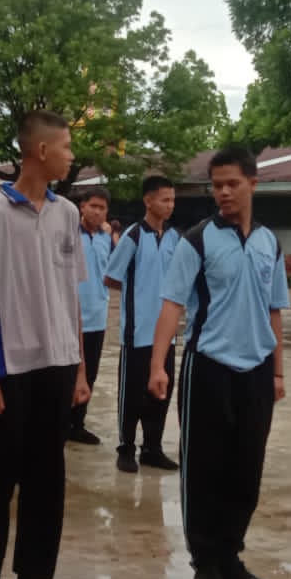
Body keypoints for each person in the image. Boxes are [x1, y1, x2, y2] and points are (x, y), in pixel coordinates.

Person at [0, 111, 91, 579]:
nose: (69, 155)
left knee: (47, 481)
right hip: (10, 367)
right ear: (39, 151)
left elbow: (73, 298)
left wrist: (80, 367)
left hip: (58, 366)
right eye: (64, 147)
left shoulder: (68, 215)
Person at [150, 145, 288, 579]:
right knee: (203, 469)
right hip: (209, 367)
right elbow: (172, 303)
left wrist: (278, 372)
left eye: (232, 183)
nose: (224, 192)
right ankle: (204, 561)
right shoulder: (198, 239)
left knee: (246, 469)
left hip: (256, 371)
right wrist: (158, 365)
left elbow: (275, 311)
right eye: (217, 185)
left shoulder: (269, 242)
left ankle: (231, 556)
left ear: (253, 183)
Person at [102, 175, 181, 474]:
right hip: (137, 333)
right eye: (165, 199)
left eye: (173, 200)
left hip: (167, 334)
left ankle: (153, 448)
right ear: (148, 200)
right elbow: (111, 277)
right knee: (132, 394)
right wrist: (140, 293)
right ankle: (126, 448)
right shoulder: (133, 236)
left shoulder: (175, 237)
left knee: (160, 393)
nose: (170, 205)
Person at [70, 187, 114, 445]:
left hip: (97, 315)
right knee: (68, 370)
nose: (97, 211)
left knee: (91, 372)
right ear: (82, 206)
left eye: (102, 208)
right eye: (93, 206)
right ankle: (60, 421)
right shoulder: (69, 235)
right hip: (70, 315)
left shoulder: (106, 238)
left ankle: (77, 423)